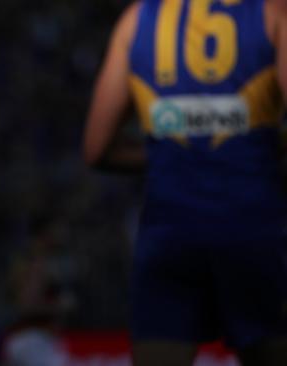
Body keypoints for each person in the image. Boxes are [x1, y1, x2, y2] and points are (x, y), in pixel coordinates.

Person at [83, 1, 287, 365]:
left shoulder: (135, 21)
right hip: (253, 228)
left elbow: (97, 149)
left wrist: (172, 151)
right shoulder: (273, 13)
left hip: (169, 233)